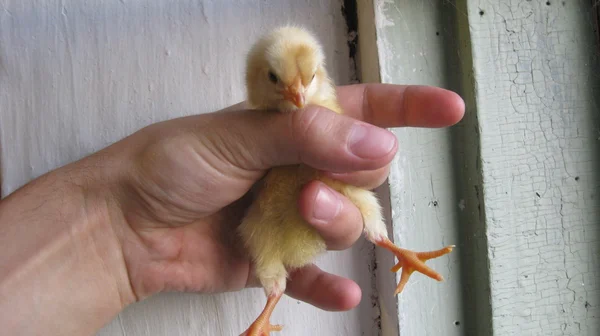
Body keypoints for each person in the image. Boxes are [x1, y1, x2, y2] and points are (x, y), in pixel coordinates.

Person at [0, 83, 464, 335]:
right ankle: (265, 318)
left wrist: (115, 230)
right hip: (265, 231)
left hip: (276, 224)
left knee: (339, 213)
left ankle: (397, 250)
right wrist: (118, 227)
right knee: (291, 253)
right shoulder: (280, 153)